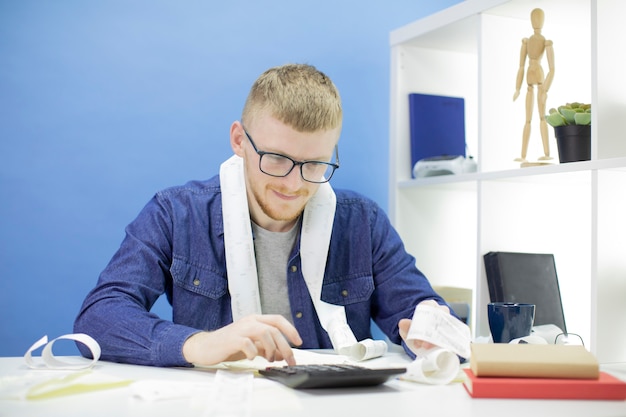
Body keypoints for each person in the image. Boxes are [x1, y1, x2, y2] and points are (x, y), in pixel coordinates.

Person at [74, 63, 458, 368]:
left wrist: (429, 332)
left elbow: (418, 313)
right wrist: (199, 344)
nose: (294, 183)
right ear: (240, 140)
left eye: (314, 164)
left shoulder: (363, 222)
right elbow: (99, 317)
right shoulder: (175, 213)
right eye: (276, 158)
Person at [513, 8, 555, 163]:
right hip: (529, 81)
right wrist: (517, 88)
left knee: (542, 116)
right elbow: (521, 66)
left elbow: (552, 69)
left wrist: (545, 90)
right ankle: (523, 155)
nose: (536, 22)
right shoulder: (527, 41)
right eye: (534, 19)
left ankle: (547, 152)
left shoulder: (546, 42)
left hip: (539, 77)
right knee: (528, 119)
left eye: (538, 19)